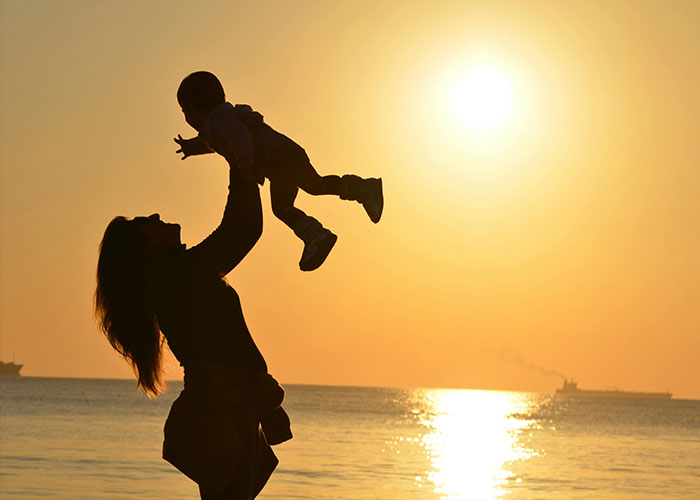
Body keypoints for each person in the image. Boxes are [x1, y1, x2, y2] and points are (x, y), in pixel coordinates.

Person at [95, 166, 291, 500]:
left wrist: (242, 162)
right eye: (146, 223)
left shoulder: (182, 276)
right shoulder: (178, 276)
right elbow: (241, 228)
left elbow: (246, 232)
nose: (156, 215)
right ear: (143, 250)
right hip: (222, 406)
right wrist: (238, 157)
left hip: (232, 404)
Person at [174, 70, 384, 271]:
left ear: (192, 110)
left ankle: (321, 230)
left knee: (298, 196)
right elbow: (213, 142)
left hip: (280, 157)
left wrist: (244, 164)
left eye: (184, 112)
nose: (186, 118)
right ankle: (325, 225)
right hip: (280, 159)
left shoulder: (217, 119)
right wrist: (191, 148)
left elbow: (238, 136)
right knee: (308, 189)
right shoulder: (219, 121)